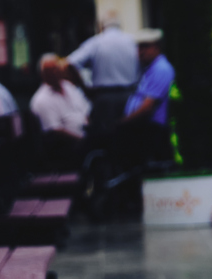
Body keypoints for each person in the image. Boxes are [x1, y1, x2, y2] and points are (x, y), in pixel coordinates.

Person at [67, 11, 138, 137]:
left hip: (104, 99)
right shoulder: (132, 42)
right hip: (130, 96)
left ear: (101, 26)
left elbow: (70, 63)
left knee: (106, 139)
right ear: (120, 26)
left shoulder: (96, 43)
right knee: (130, 137)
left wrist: (84, 88)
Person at [115, 29, 175, 167]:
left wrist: (123, 123)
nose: (140, 51)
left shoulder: (161, 68)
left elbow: (148, 107)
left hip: (151, 129)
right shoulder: (149, 68)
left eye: (145, 47)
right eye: (138, 47)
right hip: (144, 128)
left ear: (156, 47)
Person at [29, 54, 92, 171]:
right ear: (43, 75)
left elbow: (86, 111)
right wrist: (82, 140)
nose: (56, 72)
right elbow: (55, 132)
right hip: (68, 147)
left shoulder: (68, 86)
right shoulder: (41, 99)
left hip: (87, 136)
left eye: (57, 68)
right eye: (51, 70)